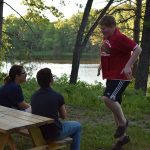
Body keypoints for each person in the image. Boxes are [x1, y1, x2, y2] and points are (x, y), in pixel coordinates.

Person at [97, 15, 142, 150]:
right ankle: (122, 139)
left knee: (107, 98)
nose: (102, 31)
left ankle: (123, 123)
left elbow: (138, 49)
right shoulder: (108, 38)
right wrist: (101, 65)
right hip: (112, 75)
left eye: (104, 29)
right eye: (101, 29)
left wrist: (128, 66)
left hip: (121, 76)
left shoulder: (120, 37)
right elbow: (109, 53)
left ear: (112, 26)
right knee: (114, 107)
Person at [31, 68, 81, 150]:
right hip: (54, 134)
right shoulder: (57, 96)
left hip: (38, 132)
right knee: (77, 125)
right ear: (51, 80)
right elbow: (64, 116)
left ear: (38, 81)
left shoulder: (34, 96)